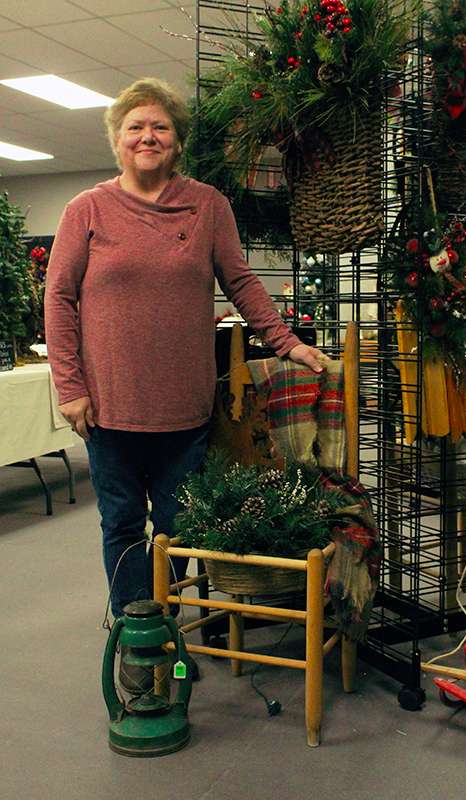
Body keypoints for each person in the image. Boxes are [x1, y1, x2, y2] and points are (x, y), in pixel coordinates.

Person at [45, 78, 326, 626]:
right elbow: (58, 301)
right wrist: (71, 390)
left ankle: (169, 631)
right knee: (123, 525)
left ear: (177, 142)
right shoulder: (87, 209)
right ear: (117, 139)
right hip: (110, 409)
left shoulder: (206, 206)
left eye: (160, 127)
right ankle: (136, 632)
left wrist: (286, 343)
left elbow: (241, 282)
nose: (147, 136)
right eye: (136, 127)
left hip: (184, 408)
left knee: (177, 528)